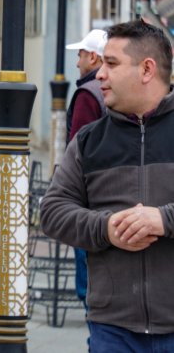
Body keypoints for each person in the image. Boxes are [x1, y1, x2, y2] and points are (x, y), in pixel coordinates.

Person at [41, 20, 174, 352]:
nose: (99, 74)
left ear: (147, 69)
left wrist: (165, 219)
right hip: (113, 329)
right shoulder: (89, 141)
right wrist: (106, 228)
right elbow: (53, 212)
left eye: (111, 63)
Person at [64, 28, 108, 311]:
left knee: (86, 258)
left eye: (80, 55)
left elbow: (77, 147)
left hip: (88, 194)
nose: (77, 62)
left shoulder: (88, 94)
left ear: (93, 57)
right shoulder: (106, 91)